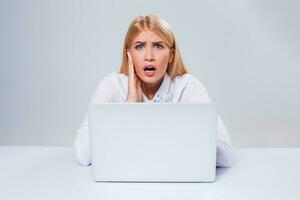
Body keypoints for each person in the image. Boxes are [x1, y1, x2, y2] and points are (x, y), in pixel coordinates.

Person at [73, 15, 236, 167]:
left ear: (171, 56)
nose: (149, 56)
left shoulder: (188, 87)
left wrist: (182, 130)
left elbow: (227, 155)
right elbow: (83, 153)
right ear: (128, 54)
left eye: (158, 46)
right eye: (140, 46)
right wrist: (129, 106)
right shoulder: (111, 86)